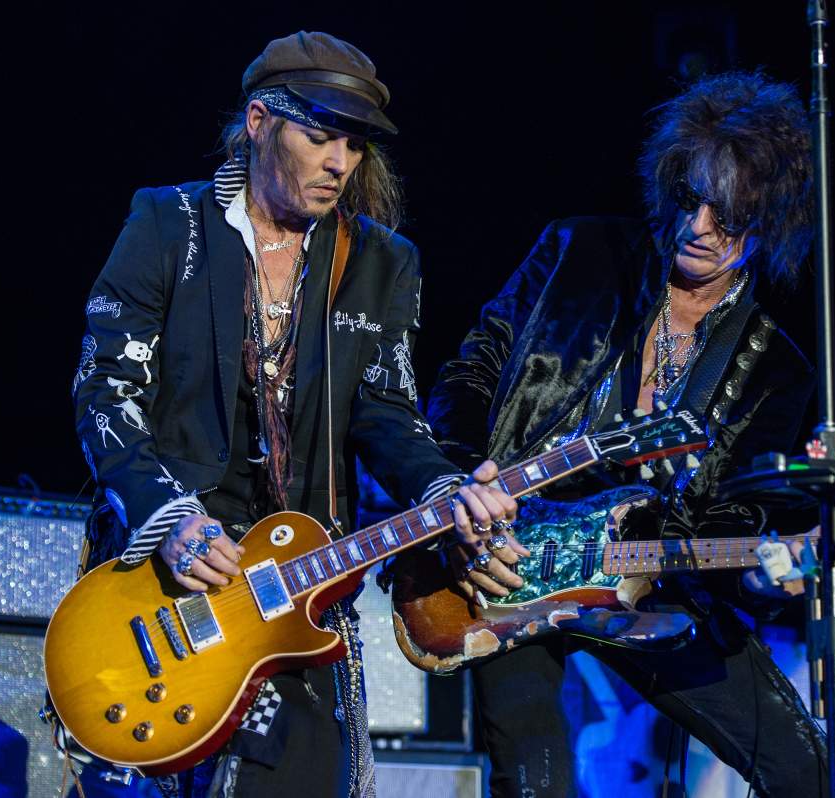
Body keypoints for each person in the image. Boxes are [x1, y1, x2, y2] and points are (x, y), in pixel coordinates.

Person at [72, 31, 517, 798]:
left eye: (355, 144)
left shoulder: (381, 262)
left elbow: (388, 413)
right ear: (259, 122)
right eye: (320, 136)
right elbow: (104, 390)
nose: (340, 163)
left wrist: (445, 488)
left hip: (300, 582)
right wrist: (168, 519)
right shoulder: (167, 223)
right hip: (169, 572)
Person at [425, 71, 829, 797]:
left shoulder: (777, 369)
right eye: (689, 198)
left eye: (728, 214)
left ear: (769, 221)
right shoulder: (577, 252)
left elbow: (737, 516)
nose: (697, 226)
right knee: (536, 782)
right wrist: (461, 487)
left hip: (651, 581)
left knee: (805, 769)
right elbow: (469, 374)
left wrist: (760, 576)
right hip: (511, 563)